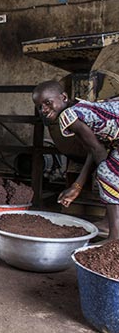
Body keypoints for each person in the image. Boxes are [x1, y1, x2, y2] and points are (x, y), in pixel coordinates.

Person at [32, 80, 118, 239]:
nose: (43, 109)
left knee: (107, 173)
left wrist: (105, 177)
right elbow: (94, 149)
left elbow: (97, 151)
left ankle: (114, 237)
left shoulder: (68, 116)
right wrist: (77, 186)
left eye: (47, 103)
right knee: (110, 170)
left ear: (63, 97)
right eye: (39, 106)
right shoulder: (80, 107)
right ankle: (110, 224)